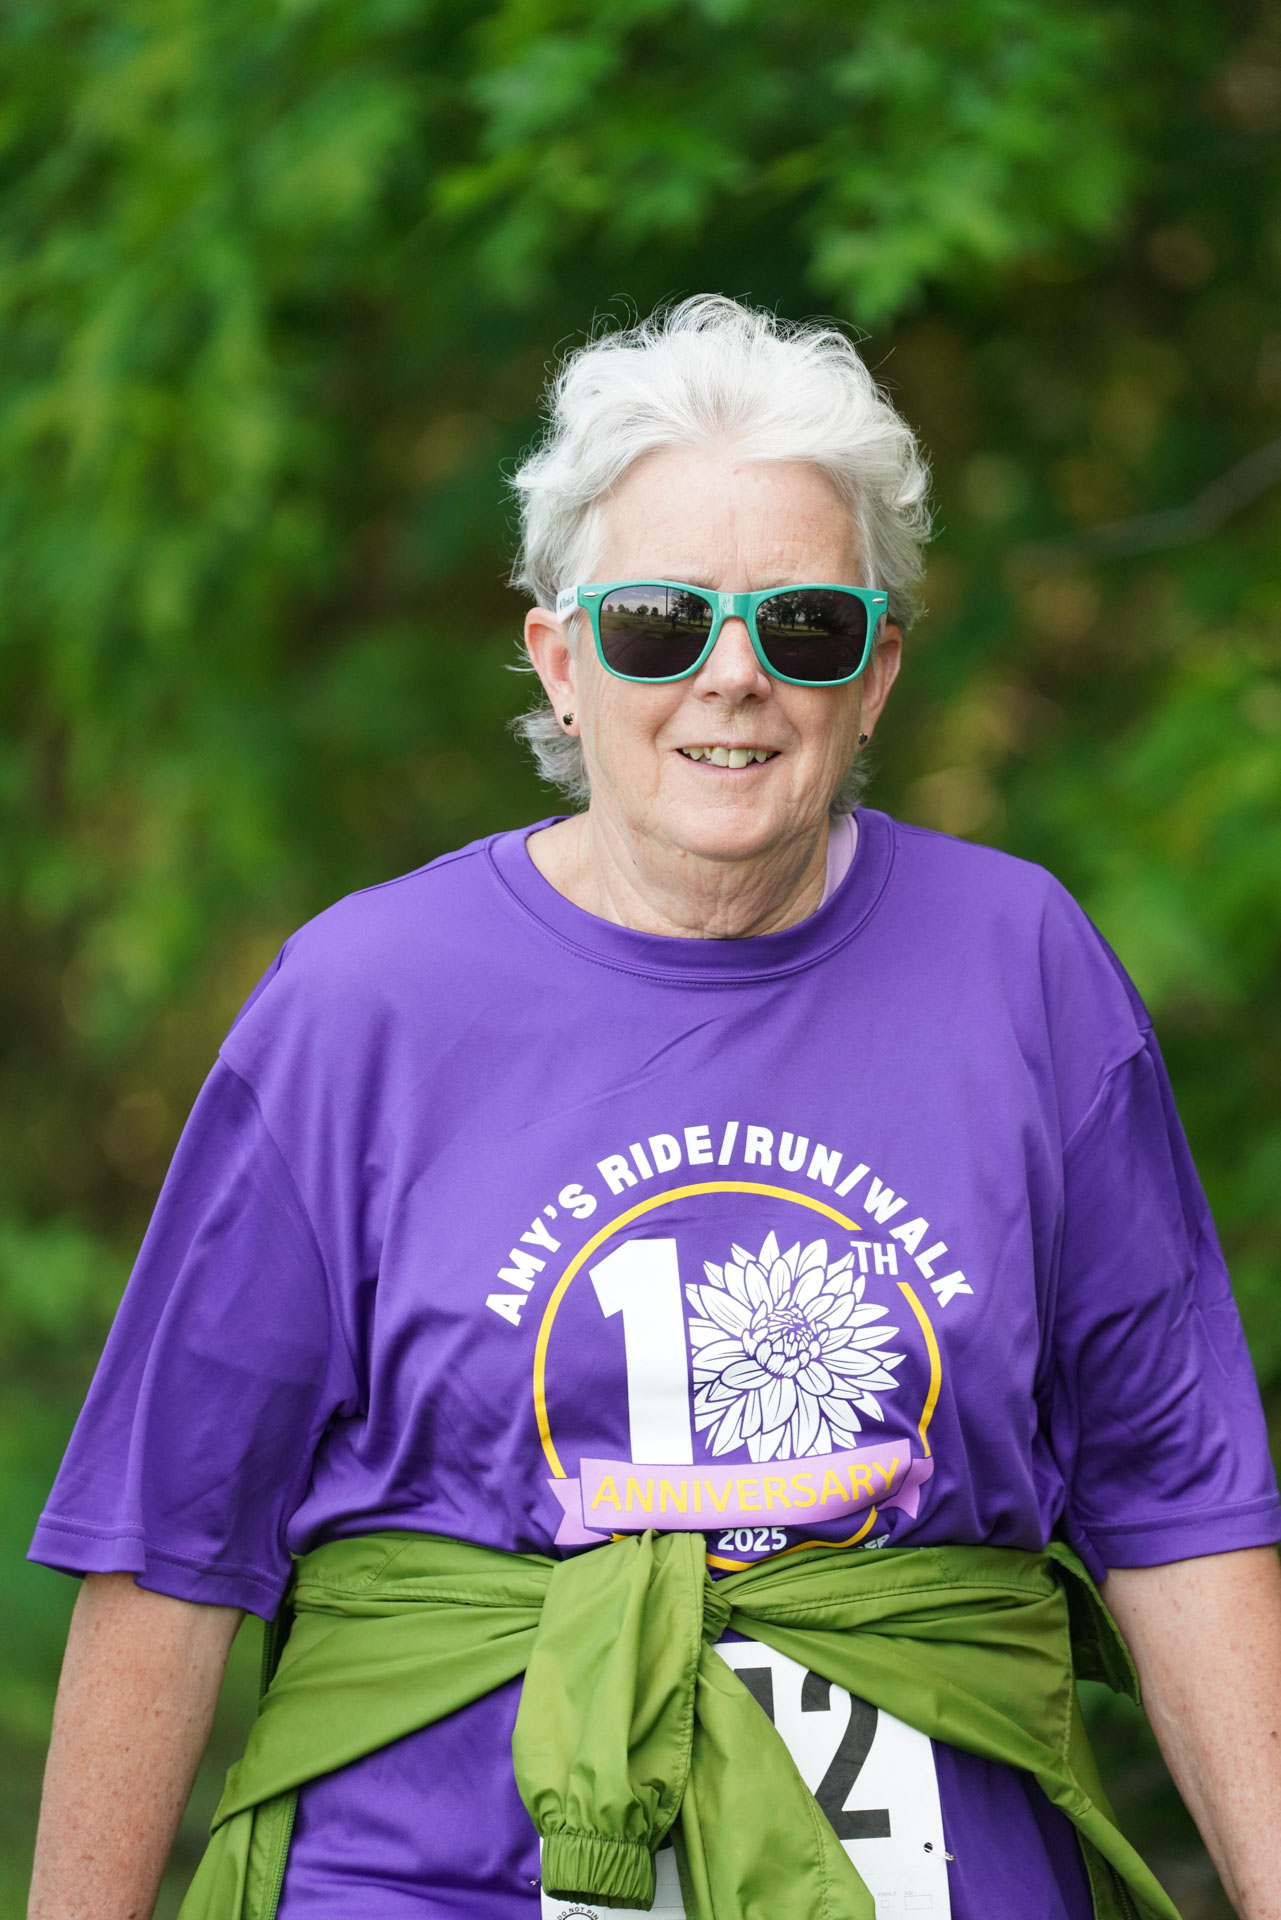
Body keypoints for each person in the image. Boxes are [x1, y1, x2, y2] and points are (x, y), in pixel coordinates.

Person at [26, 296, 1281, 1920]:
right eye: (657, 623)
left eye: (805, 626)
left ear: (876, 672)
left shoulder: (1019, 966)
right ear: (562, 660)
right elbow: (167, 1542)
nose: (732, 676)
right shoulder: (362, 1002)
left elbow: (1177, 1507)